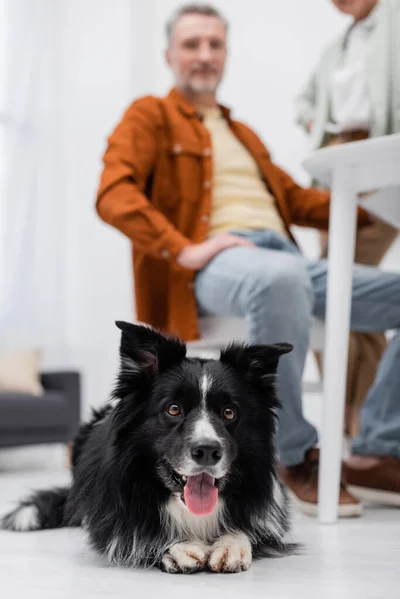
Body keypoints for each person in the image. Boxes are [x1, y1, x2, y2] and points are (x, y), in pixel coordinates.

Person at [96, 3, 400, 517]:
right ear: (169, 54)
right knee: (278, 280)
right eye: (192, 44)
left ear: (226, 55)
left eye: (215, 44)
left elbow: (299, 202)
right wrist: (185, 247)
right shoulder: (150, 115)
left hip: (282, 257)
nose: (204, 55)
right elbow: (114, 191)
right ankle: (297, 454)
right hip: (217, 264)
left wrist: (373, 202)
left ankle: (380, 447)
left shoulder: (244, 134)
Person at [295, 0, 400, 437]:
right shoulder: (336, 49)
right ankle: (359, 427)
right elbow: (304, 103)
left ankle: (362, 426)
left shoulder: (393, 20)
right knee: (334, 297)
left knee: (353, 294)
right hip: (341, 175)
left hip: (382, 166)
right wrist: (320, 126)